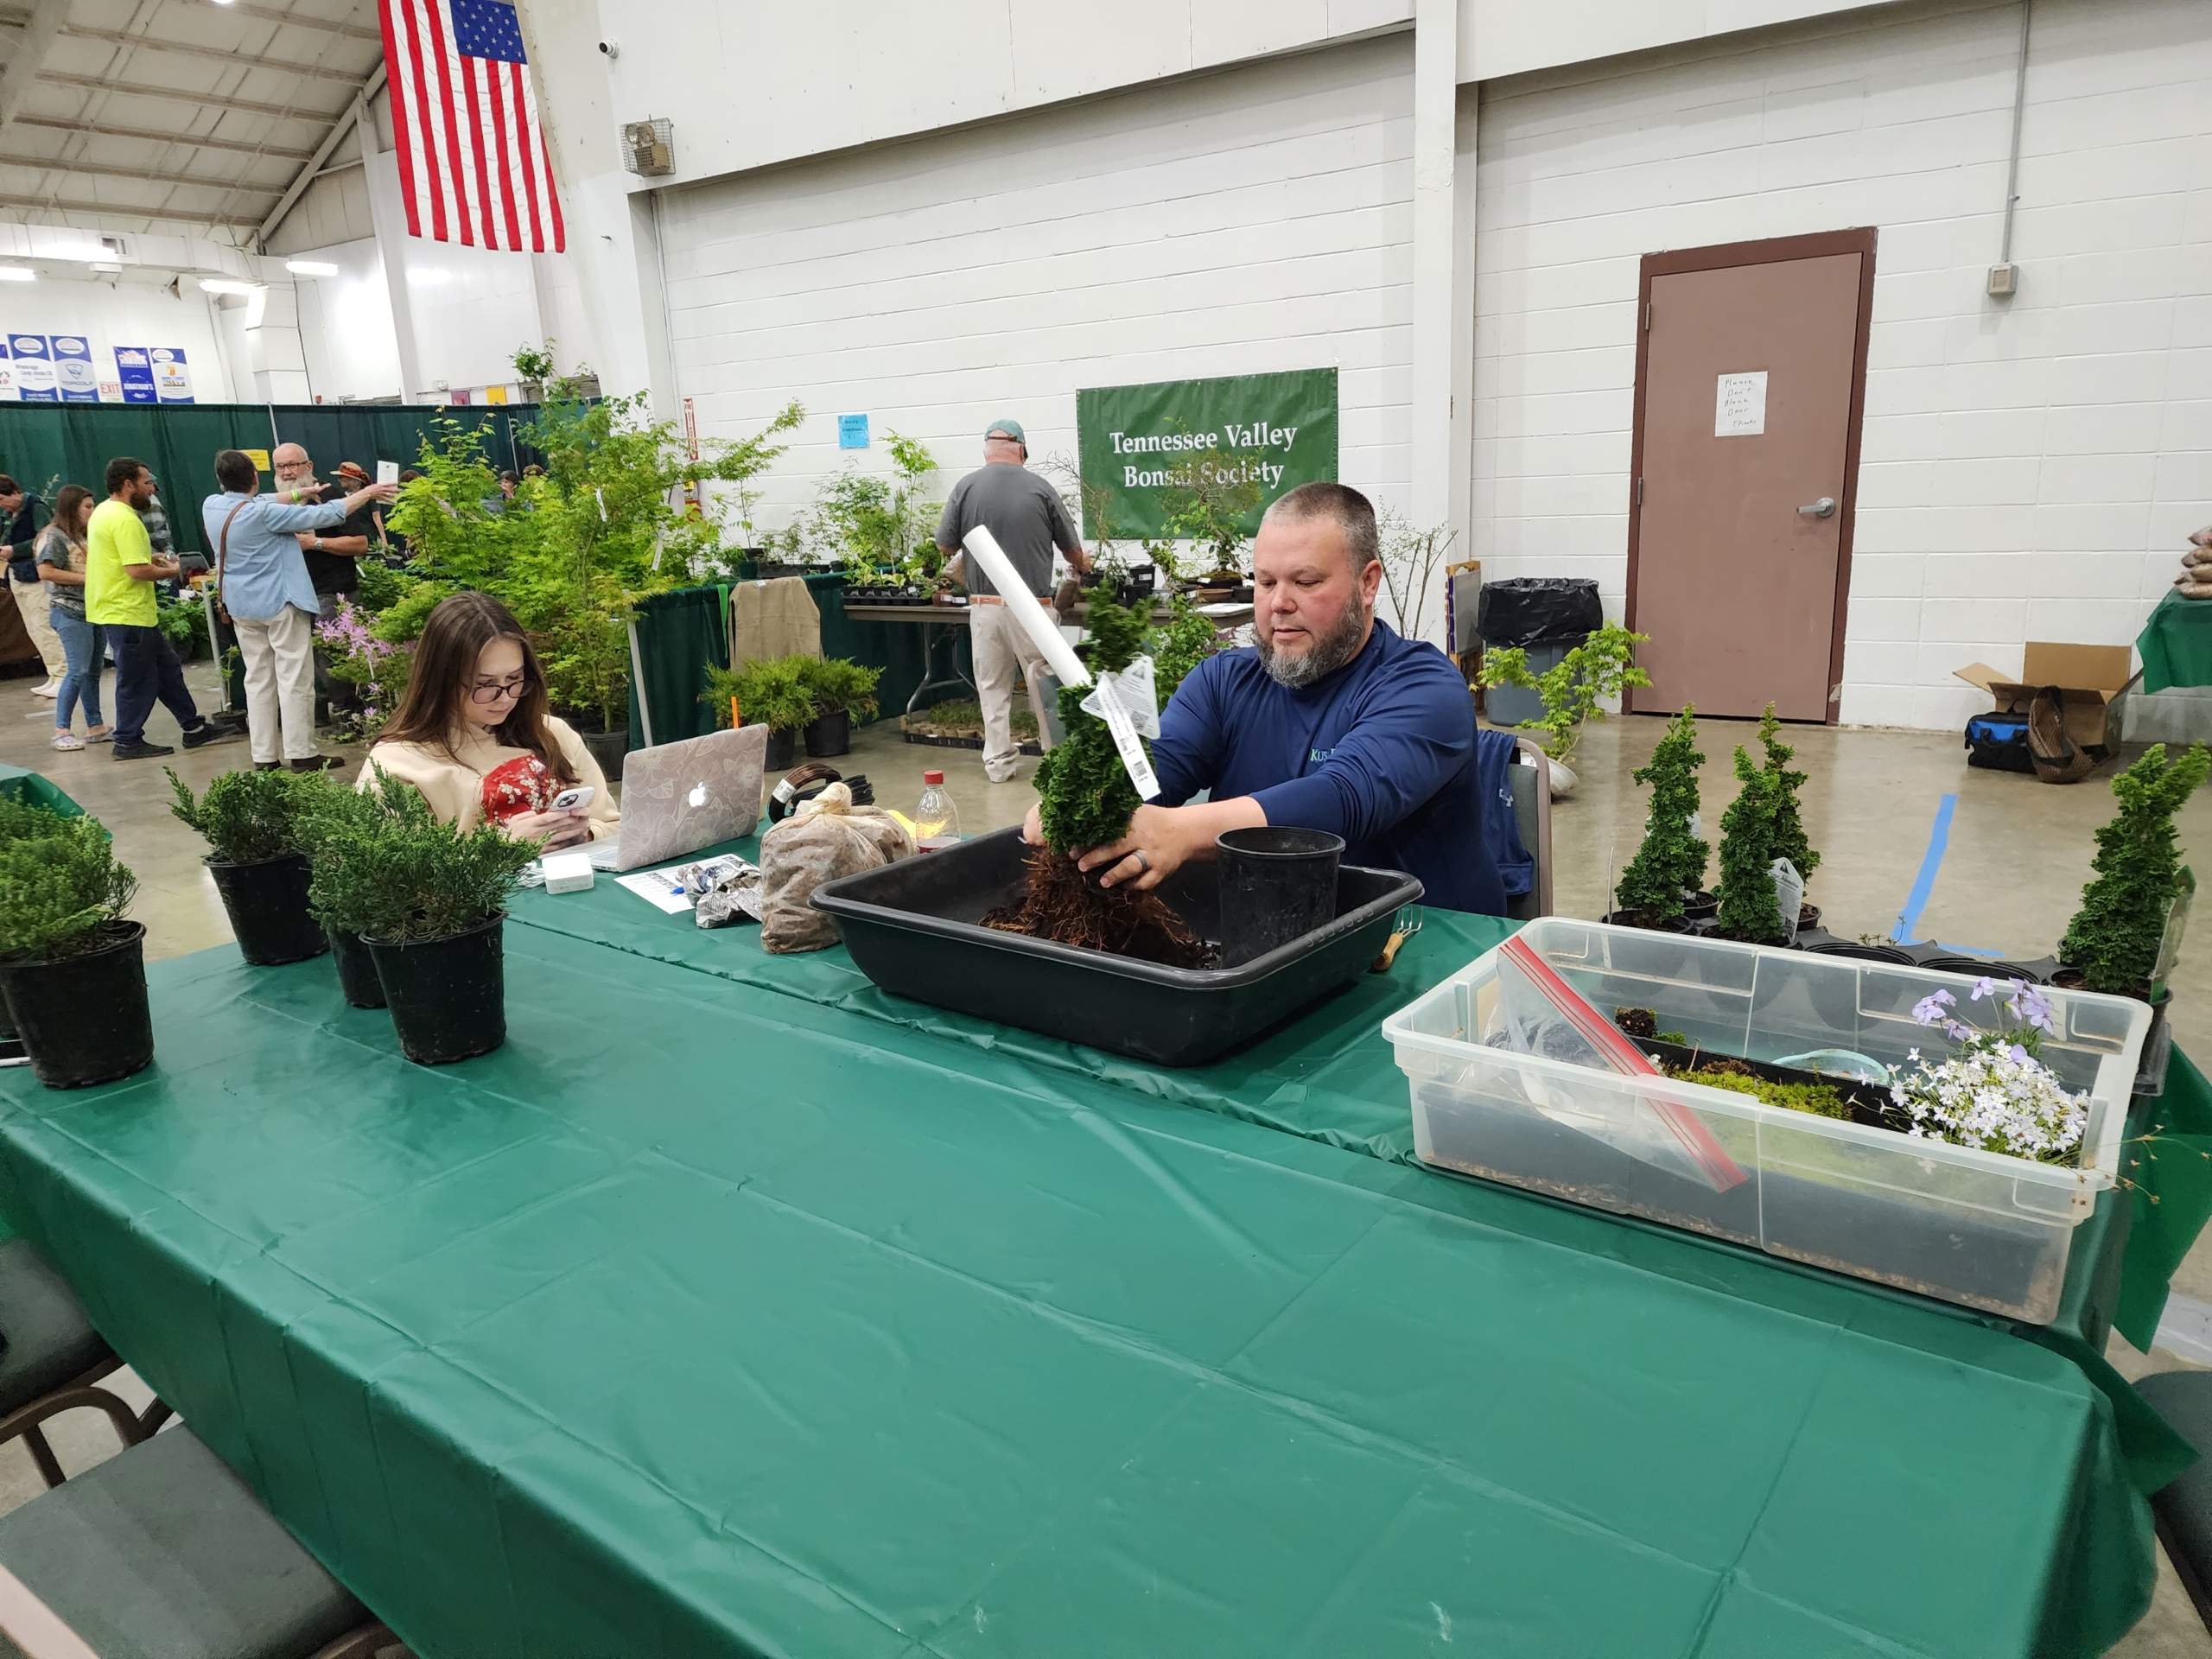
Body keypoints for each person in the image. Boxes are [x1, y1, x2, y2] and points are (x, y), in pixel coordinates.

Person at [1023, 482, 1505, 916]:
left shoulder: (1424, 687)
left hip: (1427, 944)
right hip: (1273, 927)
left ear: (1367, 583)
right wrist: (1082, 804)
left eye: (1306, 581)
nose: (1279, 603)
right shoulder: (1223, 681)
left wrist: (1180, 832)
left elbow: (1345, 798)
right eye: (1267, 581)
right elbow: (1153, 770)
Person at [359, 591, 619, 849]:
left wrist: (586, 835)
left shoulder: (552, 732)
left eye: (515, 679)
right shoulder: (395, 765)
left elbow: (615, 826)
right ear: (441, 681)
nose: (504, 698)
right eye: (485, 684)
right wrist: (499, 849)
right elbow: (397, 875)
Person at [203, 448, 397, 773]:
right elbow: (329, 514)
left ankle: (263, 755)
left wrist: (299, 492)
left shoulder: (213, 505)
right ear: (254, 476)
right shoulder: (265, 515)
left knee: (258, 680)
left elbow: (260, 499)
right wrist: (367, 492)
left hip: (240, 606)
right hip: (280, 603)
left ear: (221, 481)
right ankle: (301, 752)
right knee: (295, 678)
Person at [934, 418, 1090, 783]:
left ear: (986, 449)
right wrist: (1083, 565)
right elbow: (1073, 553)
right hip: (1033, 610)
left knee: (992, 688)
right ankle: (1058, 762)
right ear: (1021, 449)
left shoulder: (965, 487)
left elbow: (944, 545)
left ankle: (1000, 766)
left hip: (985, 607)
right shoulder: (1041, 488)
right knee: (1045, 685)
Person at [87, 457, 237, 761]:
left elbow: (122, 559)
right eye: (146, 482)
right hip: (127, 612)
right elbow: (135, 571)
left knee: (167, 671)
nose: (152, 488)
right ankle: (127, 740)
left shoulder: (104, 511)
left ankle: (193, 728)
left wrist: (150, 557)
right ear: (128, 484)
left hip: (126, 610)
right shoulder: (126, 519)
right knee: (136, 679)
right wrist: (170, 572)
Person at [273, 446, 380, 713]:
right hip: (292, 596)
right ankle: (334, 710)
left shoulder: (330, 498)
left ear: (308, 466)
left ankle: (353, 712)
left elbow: (360, 543)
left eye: (293, 465)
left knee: (335, 658)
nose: (287, 472)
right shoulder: (275, 504)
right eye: (281, 467)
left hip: (333, 592)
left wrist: (314, 542)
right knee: (310, 661)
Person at [33, 485, 105, 751]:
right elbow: (46, 571)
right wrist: (87, 579)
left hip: (93, 609)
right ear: (71, 508)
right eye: (87, 506)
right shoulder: (53, 537)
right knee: (77, 671)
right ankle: (61, 730)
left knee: (93, 672)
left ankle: (95, 726)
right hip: (69, 610)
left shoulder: (83, 536)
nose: (92, 511)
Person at [1, 475, 60, 698]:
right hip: (17, 575)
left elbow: (45, 538)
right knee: (33, 627)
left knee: (44, 624)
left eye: (2, 499)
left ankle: (63, 675)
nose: (1, 505)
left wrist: (15, 550)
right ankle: (53, 674)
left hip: (35, 575)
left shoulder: (36, 508)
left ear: (14, 492)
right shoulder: (8, 515)